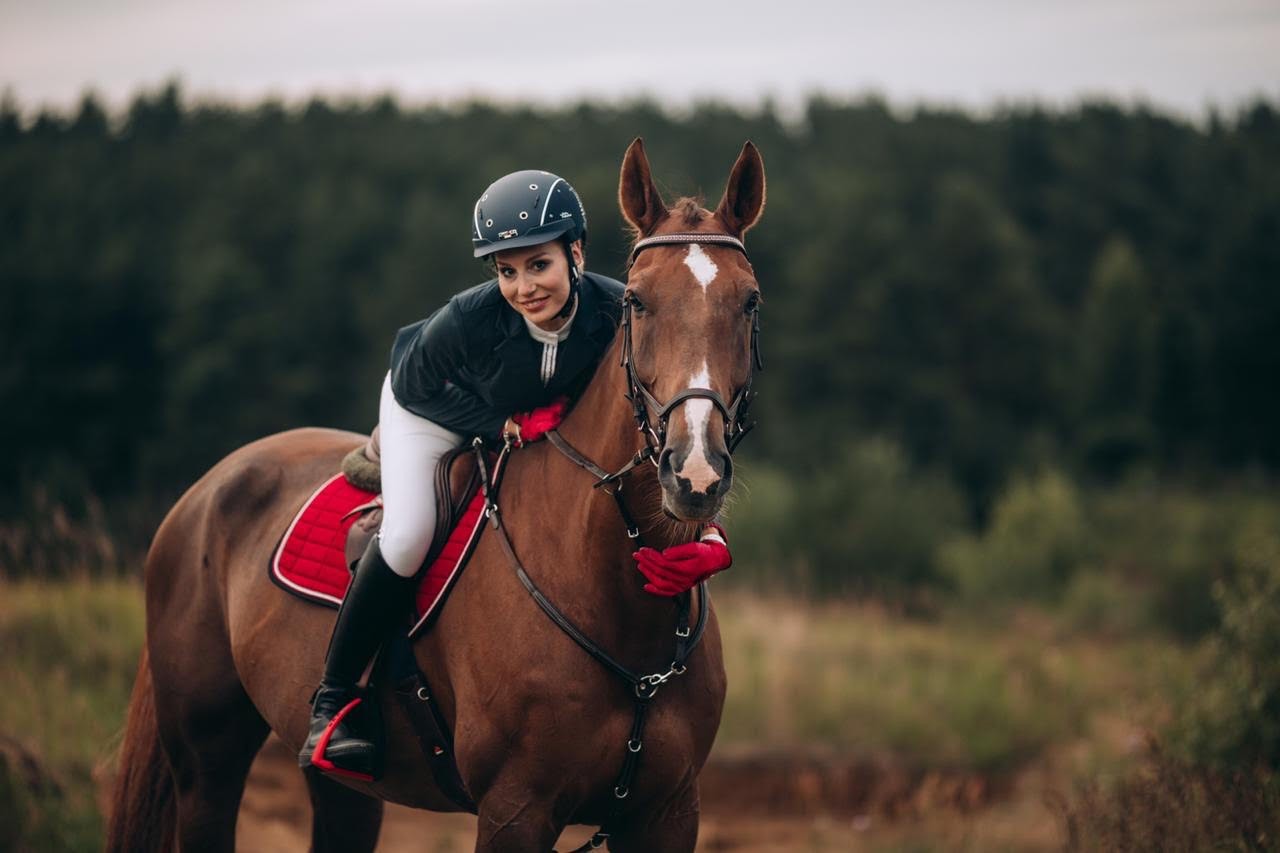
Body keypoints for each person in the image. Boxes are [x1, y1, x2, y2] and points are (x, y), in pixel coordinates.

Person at [298, 169, 733, 779]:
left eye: (538, 265)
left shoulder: (617, 310)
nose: (524, 287)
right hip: (430, 406)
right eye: (507, 271)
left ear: (575, 253)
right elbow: (416, 386)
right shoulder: (467, 320)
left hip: (523, 419)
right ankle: (335, 699)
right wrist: (500, 423)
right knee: (407, 533)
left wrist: (707, 531)